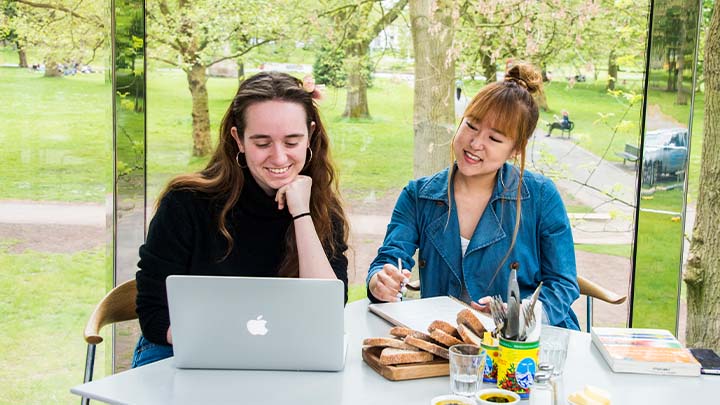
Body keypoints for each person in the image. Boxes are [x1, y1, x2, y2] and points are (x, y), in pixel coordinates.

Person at [132, 71, 350, 367]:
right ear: (239, 139)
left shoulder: (321, 208)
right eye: (262, 143)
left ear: (309, 135)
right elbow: (154, 312)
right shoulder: (186, 202)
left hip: (283, 355)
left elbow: (326, 312)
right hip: (181, 351)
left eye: (291, 141)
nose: (279, 157)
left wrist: (301, 213)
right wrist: (227, 344)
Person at [366, 62, 580, 330]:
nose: (475, 143)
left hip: (525, 349)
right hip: (450, 346)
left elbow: (563, 283)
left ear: (515, 149)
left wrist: (519, 314)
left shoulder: (541, 196)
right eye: (471, 125)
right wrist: (379, 281)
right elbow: (390, 256)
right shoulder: (418, 195)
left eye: (495, 138)